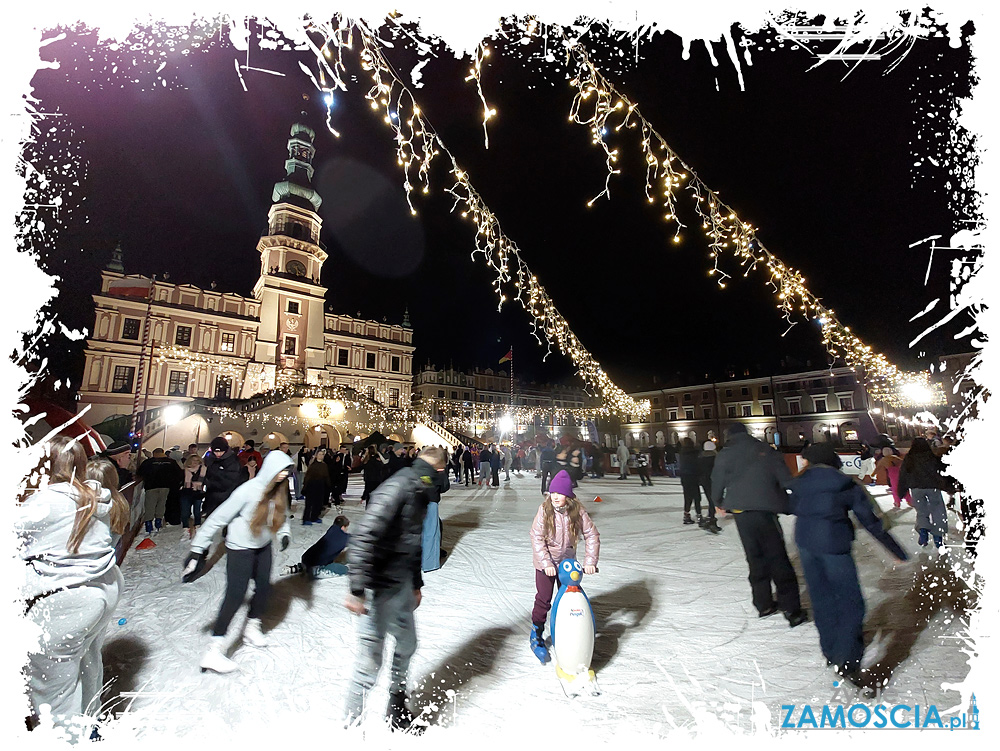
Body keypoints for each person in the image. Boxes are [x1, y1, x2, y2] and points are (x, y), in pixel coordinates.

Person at [19, 438, 129, 738]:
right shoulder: (96, 495)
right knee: (86, 659)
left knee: (52, 689)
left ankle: (66, 739)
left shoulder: (46, 501)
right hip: (102, 589)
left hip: (65, 600)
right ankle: (89, 724)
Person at [343, 446, 449, 730]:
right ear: (438, 471)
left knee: (407, 643)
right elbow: (363, 536)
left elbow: (411, 542)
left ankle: (396, 706)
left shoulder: (419, 489)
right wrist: (357, 590)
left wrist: (415, 584)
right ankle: (350, 729)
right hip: (379, 588)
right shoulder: (401, 486)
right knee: (369, 663)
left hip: (400, 586)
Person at [788, 442, 907, 692]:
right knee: (851, 603)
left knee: (822, 600)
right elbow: (871, 520)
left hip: (806, 545)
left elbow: (792, 507)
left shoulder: (799, 482)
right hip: (834, 545)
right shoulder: (846, 484)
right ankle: (848, 661)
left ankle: (831, 651)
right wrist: (895, 551)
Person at [182, 450, 294, 674]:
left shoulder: (278, 491)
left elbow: (280, 515)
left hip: (262, 547)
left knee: (263, 588)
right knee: (235, 595)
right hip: (240, 548)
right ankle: (213, 650)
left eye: (286, 472)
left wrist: (283, 532)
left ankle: (252, 626)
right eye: (281, 471)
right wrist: (197, 549)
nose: (283, 476)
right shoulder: (248, 491)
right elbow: (217, 518)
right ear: (270, 470)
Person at [710, 423, 806, 627]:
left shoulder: (725, 454)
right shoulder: (765, 450)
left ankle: (763, 604)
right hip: (766, 509)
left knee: (754, 557)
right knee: (777, 558)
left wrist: (718, 502)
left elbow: (716, 480)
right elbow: (786, 480)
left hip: (741, 512)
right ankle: (791, 609)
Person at [528, 470, 600, 663]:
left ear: (568, 495)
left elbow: (592, 535)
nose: (555, 497)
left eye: (559, 493)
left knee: (569, 598)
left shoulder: (577, 511)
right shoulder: (545, 510)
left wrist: (590, 562)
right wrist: (546, 563)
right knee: (544, 599)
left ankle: (568, 631)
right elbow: (536, 536)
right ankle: (536, 632)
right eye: (553, 493)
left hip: (567, 564)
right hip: (546, 563)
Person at [897, 437, 951, 549]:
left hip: (916, 489)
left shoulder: (909, 458)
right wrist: (949, 486)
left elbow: (903, 475)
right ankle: (938, 538)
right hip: (932, 488)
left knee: (921, 511)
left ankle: (923, 531)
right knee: (938, 511)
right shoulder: (931, 457)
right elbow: (943, 471)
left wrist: (901, 491)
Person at [283, 515, 352, 579]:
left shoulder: (331, 530)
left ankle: (301, 567)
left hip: (306, 559)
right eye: (346, 528)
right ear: (343, 527)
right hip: (316, 567)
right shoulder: (343, 537)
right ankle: (316, 572)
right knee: (344, 569)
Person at [136, 447, 183, 537]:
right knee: (161, 504)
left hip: (151, 487)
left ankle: (149, 526)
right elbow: (179, 474)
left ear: (154, 453)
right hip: (166, 487)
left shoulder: (148, 463)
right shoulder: (171, 462)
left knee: (150, 506)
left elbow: (140, 472)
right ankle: (158, 523)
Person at [203, 436, 243, 518]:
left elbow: (231, 480)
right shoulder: (210, 459)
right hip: (212, 496)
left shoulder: (232, 461)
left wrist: (211, 481)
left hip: (227, 495)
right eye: (215, 452)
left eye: (221, 452)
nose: (218, 454)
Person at [301, 446, 332, 525]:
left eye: (322, 454)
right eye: (320, 454)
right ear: (316, 455)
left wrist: (328, 485)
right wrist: (305, 487)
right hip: (312, 486)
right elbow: (307, 477)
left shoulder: (324, 465)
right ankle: (306, 518)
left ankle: (314, 517)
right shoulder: (313, 465)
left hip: (320, 485)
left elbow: (326, 476)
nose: (321, 456)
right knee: (309, 503)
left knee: (318, 503)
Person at [180, 453, 206, 541]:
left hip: (197, 492)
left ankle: (197, 527)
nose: (195, 463)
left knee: (197, 511)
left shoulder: (203, 469)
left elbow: (205, 480)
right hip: (186, 492)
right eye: (193, 461)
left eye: (197, 461)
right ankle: (186, 529)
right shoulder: (184, 470)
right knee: (185, 512)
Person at [698, 441, 722, 534]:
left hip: (704, 481)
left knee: (711, 500)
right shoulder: (716, 457)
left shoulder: (700, 457)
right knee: (714, 501)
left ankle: (710, 518)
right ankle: (711, 520)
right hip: (713, 481)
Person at [678, 437, 703, 524]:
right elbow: (698, 465)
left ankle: (686, 514)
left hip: (685, 477)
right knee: (696, 497)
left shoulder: (682, 453)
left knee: (687, 497)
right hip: (693, 476)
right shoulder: (695, 453)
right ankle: (699, 515)